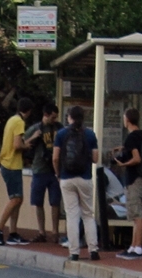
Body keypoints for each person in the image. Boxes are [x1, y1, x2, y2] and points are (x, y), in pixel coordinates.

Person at [53, 104, 100, 262]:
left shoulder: (61, 134)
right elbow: (95, 158)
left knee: (72, 215)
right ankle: (93, 250)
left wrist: (58, 173)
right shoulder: (90, 135)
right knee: (88, 215)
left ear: (69, 117)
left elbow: (55, 157)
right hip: (85, 178)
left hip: (67, 178)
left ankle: (74, 252)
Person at [0, 97, 34, 245]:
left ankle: (13, 232)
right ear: (28, 111)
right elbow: (17, 146)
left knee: (18, 199)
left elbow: (14, 143)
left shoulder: (12, 120)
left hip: (9, 163)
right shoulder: (19, 122)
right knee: (15, 199)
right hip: (11, 165)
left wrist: (29, 140)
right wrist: (26, 147)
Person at [113, 107, 142, 261]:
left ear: (127, 119)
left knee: (137, 214)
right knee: (135, 214)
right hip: (139, 178)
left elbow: (137, 158)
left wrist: (123, 164)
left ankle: (138, 247)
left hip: (134, 179)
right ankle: (133, 246)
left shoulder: (132, 137)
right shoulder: (141, 135)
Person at [23, 104, 62, 243]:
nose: (54, 119)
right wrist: (34, 137)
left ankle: (55, 231)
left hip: (54, 170)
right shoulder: (35, 128)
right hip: (40, 168)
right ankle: (41, 231)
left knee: (55, 202)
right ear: (46, 115)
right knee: (38, 202)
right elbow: (23, 143)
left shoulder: (58, 127)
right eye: (52, 117)